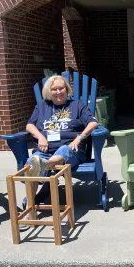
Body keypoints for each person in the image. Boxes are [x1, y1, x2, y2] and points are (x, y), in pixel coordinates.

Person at [24, 75, 98, 230]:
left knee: (63, 150)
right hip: (44, 150)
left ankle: (43, 166)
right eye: (54, 89)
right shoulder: (42, 106)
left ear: (67, 89)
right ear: (49, 92)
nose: (59, 92)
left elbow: (93, 122)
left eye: (61, 88)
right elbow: (29, 125)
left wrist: (79, 137)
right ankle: (30, 210)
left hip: (70, 151)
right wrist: (40, 136)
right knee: (32, 161)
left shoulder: (77, 105)